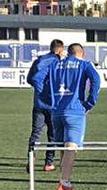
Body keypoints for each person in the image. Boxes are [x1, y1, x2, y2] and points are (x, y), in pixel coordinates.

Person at [46, 43, 101, 190]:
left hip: (56, 112)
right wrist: (90, 103)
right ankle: (65, 182)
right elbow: (96, 81)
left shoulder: (55, 64)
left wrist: (50, 101)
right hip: (75, 111)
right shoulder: (84, 64)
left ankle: (62, 183)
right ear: (81, 53)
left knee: (64, 147)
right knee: (71, 147)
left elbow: (40, 81)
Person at [26, 39, 65, 172]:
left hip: (39, 104)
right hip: (53, 105)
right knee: (52, 135)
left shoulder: (39, 60)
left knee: (36, 133)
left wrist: (40, 90)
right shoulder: (58, 62)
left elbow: (30, 79)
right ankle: (49, 163)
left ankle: (31, 160)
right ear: (59, 50)